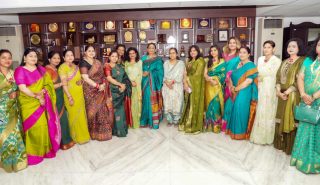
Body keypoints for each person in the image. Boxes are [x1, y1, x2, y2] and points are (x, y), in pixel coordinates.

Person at [14, 48, 61, 165]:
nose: (33, 58)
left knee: (43, 126)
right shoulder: (20, 70)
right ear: (24, 58)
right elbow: (22, 88)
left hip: (42, 101)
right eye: (30, 56)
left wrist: (44, 92)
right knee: (32, 128)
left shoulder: (41, 69)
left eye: (35, 56)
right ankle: (33, 153)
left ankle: (44, 150)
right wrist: (37, 97)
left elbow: (48, 84)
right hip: (28, 103)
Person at [290, 37, 320, 174]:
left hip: (318, 102)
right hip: (305, 100)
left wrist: (314, 97)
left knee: (316, 132)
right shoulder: (308, 61)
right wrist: (302, 94)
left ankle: (314, 163)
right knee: (304, 128)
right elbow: (300, 77)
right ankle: (300, 159)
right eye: (319, 44)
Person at [274, 38, 305, 155]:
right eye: (289, 46)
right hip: (281, 95)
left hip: (293, 95)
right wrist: (278, 91)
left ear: (299, 48)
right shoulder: (284, 61)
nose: (290, 48)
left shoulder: (302, 61)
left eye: (293, 46)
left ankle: (290, 147)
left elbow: (301, 80)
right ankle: (280, 144)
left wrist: (287, 92)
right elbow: (277, 77)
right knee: (280, 117)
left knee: (291, 119)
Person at [0, 49, 27, 172]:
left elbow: (18, 89)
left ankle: (19, 162)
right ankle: (6, 162)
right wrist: (6, 95)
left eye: (9, 57)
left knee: (16, 134)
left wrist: (15, 92)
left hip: (13, 108)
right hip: (1, 111)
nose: (7, 60)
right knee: (5, 136)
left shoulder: (13, 72)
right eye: (3, 57)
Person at [250, 40, 281, 145]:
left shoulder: (276, 60)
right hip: (260, 87)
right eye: (265, 47)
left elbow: (272, 74)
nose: (266, 49)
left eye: (269, 47)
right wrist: (260, 74)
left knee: (268, 111)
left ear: (273, 49)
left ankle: (267, 138)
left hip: (270, 88)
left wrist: (260, 74)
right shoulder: (260, 59)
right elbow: (257, 72)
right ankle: (258, 137)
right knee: (260, 110)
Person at [79, 46, 113, 141]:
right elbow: (85, 78)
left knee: (102, 110)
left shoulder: (97, 62)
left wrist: (102, 84)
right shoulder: (83, 62)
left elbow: (103, 75)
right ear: (85, 52)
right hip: (90, 90)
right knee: (91, 111)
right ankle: (93, 133)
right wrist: (97, 86)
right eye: (89, 51)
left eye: (93, 50)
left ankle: (103, 132)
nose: (91, 52)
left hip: (100, 88)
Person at [225, 47, 258, 140]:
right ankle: (234, 132)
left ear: (248, 54)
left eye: (244, 52)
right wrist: (232, 86)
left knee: (241, 110)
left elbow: (249, 81)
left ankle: (241, 133)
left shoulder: (250, 65)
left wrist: (236, 88)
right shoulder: (239, 64)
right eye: (240, 52)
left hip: (244, 91)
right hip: (236, 90)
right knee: (235, 109)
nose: (242, 54)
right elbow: (231, 76)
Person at [58, 49, 90, 144]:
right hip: (70, 94)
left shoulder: (76, 66)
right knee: (73, 115)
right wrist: (69, 97)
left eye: (71, 55)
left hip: (79, 93)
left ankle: (83, 136)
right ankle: (76, 137)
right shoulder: (62, 68)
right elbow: (64, 84)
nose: (70, 57)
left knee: (81, 115)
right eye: (67, 55)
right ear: (64, 58)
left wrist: (81, 81)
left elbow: (80, 79)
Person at [45, 51, 75, 149]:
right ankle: (62, 142)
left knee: (63, 119)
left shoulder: (57, 69)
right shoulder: (47, 70)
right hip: (54, 97)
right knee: (59, 119)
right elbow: (47, 87)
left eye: (58, 58)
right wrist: (61, 84)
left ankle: (66, 140)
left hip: (60, 96)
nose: (57, 60)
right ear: (49, 59)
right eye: (54, 58)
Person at [179, 45, 205, 134]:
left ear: (198, 51)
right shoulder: (189, 61)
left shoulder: (200, 61)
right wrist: (185, 82)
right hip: (188, 85)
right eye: (191, 51)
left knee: (195, 104)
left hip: (196, 86)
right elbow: (185, 73)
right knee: (188, 103)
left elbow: (197, 75)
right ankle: (187, 122)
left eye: (194, 50)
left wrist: (186, 80)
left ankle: (195, 126)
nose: (192, 52)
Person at [105, 51, 132, 137]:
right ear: (109, 57)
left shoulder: (120, 66)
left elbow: (125, 77)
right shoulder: (107, 66)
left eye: (116, 56)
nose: (114, 58)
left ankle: (121, 131)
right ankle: (112, 131)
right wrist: (120, 85)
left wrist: (124, 85)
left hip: (121, 91)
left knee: (120, 111)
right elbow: (109, 78)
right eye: (112, 56)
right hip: (111, 91)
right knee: (112, 111)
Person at [140, 43, 164, 129]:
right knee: (145, 100)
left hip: (153, 83)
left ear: (155, 49)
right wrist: (142, 73)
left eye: (153, 48)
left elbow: (160, 72)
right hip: (144, 81)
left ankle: (152, 121)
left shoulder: (158, 59)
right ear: (147, 49)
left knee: (152, 100)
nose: (151, 49)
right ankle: (144, 120)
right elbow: (139, 69)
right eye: (149, 48)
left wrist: (150, 72)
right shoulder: (143, 58)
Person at [204, 45, 226, 133]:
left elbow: (223, 74)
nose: (213, 52)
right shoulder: (208, 61)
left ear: (218, 51)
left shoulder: (222, 61)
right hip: (209, 85)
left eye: (215, 50)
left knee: (216, 105)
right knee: (209, 105)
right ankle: (209, 125)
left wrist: (216, 81)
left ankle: (216, 126)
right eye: (211, 50)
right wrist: (209, 79)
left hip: (217, 86)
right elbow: (205, 74)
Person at [162, 48, 185, 127]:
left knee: (177, 102)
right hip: (167, 86)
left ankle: (176, 120)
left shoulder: (181, 63)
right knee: (167, 102)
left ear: (177, 54)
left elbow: (180, 75)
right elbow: (163, 74)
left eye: (173, 53)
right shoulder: (165, 63)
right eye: (170, 53)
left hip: (176, 86)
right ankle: (170, 120)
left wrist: (172, 82)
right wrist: (166, 82)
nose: (172, 54)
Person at [124, 47, 142, 129]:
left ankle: (136, 122)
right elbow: (124, 75)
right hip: (128, 86)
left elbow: (140, 75)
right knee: (129, 104)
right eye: (130, 53)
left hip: (137, 86)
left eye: (133, 53)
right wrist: (131, 82)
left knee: (136, 104)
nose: (132, 55)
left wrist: (135, 82)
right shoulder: (126, 63)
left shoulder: (140, 62)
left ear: (136, 54)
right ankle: (129, 122)